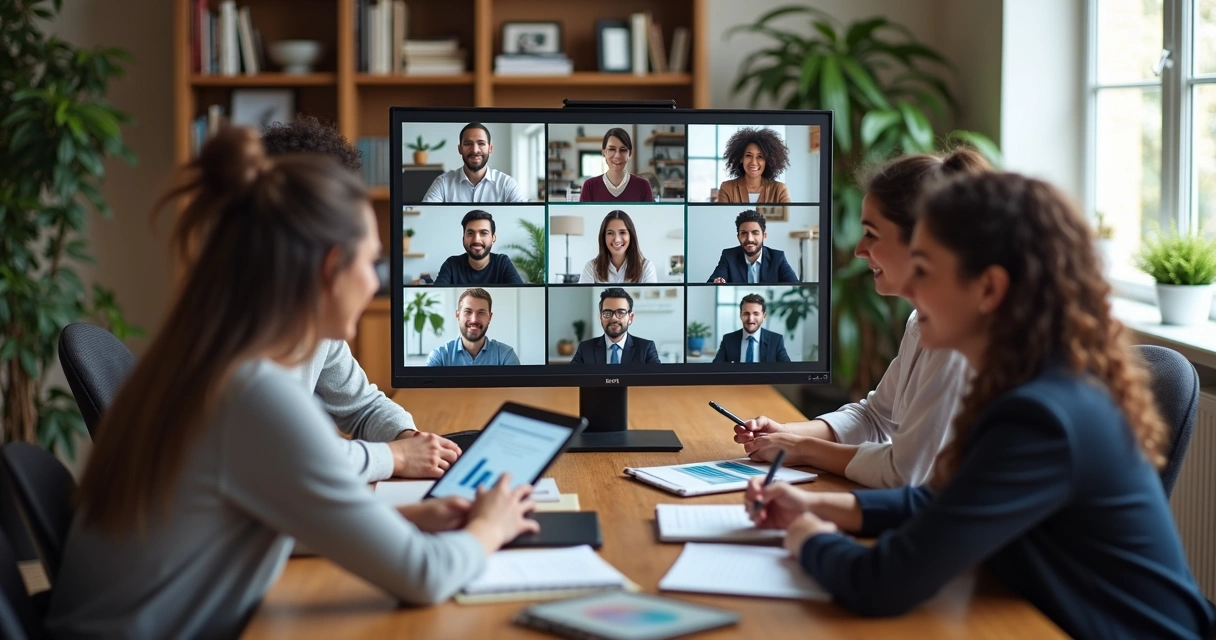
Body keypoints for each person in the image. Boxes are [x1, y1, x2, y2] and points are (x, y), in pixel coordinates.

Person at [47, 128, 541, 639]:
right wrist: (492, 524)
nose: (377, 282)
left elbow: (262, 515)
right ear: (330, 268)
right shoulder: (255, 393)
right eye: (372, 262)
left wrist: (413, 517)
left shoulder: (208, 351)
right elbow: (425, 575)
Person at [747, 172, 1216, 639]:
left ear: (989, 289)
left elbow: (883, 582)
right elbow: (944, 504)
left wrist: (806, 534)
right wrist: (819, 507)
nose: (911, 289)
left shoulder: (1041, 415)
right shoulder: (1027, 386)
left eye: (925, 271)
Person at [734, 149, 989, 488]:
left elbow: (904, 473)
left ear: (920, 240)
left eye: (872, 233)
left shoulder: (957, 339)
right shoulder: (920, 321)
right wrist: (786, 432)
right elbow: (874, 417)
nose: (858, 249)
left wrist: (802, 448)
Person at [248, 116, 459, 481]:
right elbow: (300, 460)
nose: (373, 281)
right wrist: (394, 457)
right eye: (368, 258)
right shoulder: (246, 352)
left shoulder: (310, 322)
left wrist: (408, 439)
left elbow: (361, 407)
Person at [422, 123, 525, 203]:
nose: (475, 150)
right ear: (460, 149)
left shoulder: (507, 184)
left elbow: (523, 215)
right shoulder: (443, 183)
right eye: (468, 144)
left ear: (490, 148)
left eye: (481, 143)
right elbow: (427, 216)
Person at [427, 288, 521, 366]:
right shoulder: (439, 357)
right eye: (468, 311)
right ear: (457, 316)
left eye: (481, 313)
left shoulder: (506, 356)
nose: (474, 320)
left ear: (490, 317)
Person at [571, 288, 661, 364]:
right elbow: (570, 380)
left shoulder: (646, 348)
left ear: (630, 317)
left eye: (621, 312)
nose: (614, 318)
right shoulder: (585, 348)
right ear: (600, 317)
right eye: (607, 313)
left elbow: (658, 381)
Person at [433, 210, 524, 285]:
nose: (476, 240)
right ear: (463, 238)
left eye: (484, 233)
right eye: (470, 233)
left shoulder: (502, 262)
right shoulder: (451, 264)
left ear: (493, 238)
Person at [708, 209, 799, 283]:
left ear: (764, 236)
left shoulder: (777, 257)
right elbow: (712, 282)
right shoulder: (728, 256)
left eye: (755, 233)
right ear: (738, 236)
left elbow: (795, 286)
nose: (750, 239)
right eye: (744, 233)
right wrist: (717, 283)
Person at [579, 210, 658, 283]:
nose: (617, 240)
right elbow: (582, 298)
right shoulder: (591, 268)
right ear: (603, 237)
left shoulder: (646, 267)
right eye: (610, 233)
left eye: (622, 232)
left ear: (631, 236)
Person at [716, 127, 791, 204]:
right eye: (748, 155)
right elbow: (723, 216)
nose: (754, 162)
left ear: (767, 161)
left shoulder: (779, 190)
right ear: (741, 158)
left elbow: (788, 216)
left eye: (760, 156)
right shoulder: (727, 188)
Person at [579, 128, 654, 202]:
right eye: (612, 149)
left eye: (623, 149)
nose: (617, 155)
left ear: (630, 153)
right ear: (604, 152)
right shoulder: (589, 186)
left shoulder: (643, 186)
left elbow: (650, 214)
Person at [712, 294, 790, 363]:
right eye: (746, 313)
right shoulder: (728, 339)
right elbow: (715, 369)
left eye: (756, 314)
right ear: (740, 315)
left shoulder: (776, 340)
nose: (750, 319)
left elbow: (787, 370)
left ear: (764, 316)